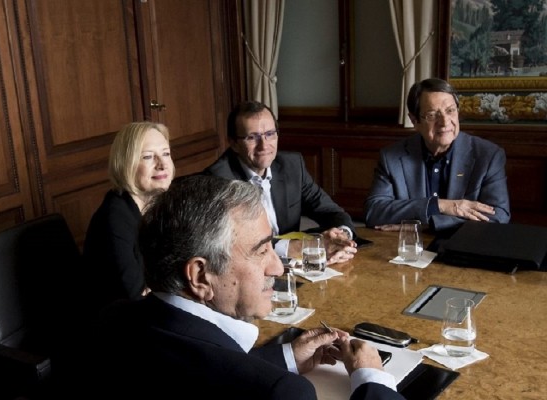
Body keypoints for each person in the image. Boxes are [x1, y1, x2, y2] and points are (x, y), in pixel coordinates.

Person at [90, 175, 405, 400]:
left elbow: (204, 364)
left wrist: (285, 358)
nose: (278, 268)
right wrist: (372, 378)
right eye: (262, 250)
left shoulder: (113, 318)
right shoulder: (281, 392)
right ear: (200, 276)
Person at [203, 100, 357, 265]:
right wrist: (309, 246)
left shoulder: (292, 166)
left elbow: (331, 211)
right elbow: (239, 244)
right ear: (234, 143)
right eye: (252, 137)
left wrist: (341, 238)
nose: (264, 146)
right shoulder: (219, 180)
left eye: (270, 134)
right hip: (247, 267)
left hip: (292, 266)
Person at [364, 78, 510, 232]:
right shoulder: (392, 157)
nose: (445, 122)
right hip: (409, 245)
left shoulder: (488, 155)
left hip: (463, 243)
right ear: (414, 121)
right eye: (432, 115)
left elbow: (498, 217)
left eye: (450, 111)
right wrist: (439, 205)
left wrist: (428, 226)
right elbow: (374, 212)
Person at [82, 120, 174, 313]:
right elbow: (136, 295)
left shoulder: (158, 203)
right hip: (118, 322)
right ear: (126, 164)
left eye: (166, 153)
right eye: (148, 157)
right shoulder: (114, 218)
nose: (162, 164)